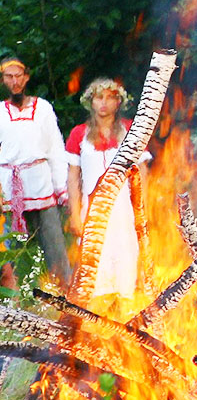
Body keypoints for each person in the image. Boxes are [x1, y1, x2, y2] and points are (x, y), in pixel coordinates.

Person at [66, 78, 151, 299]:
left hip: (124, 210)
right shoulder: (79, 134)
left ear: (118, 102)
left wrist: (144, 209)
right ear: (90, 102)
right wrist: (75, 215)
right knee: (95, 265)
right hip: (92, 210)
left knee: (126, 259)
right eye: (98, 97)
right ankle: (97, 318)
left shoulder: (131, 130)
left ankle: (125, 310)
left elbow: (142, 171)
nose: (104, 103)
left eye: (110, 97)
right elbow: (73, 177)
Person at [0, 55, 71, 289]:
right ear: (3, 81)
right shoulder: (0, 112)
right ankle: (13, 301)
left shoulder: (43, 109)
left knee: (54, 244)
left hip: (41, 186)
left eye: (18, 76)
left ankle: (65, 295)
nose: (15, 81)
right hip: (10, 191)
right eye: (9, 77)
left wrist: (61, 188)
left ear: (26, 77)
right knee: (11, 249)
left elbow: (56, 149)